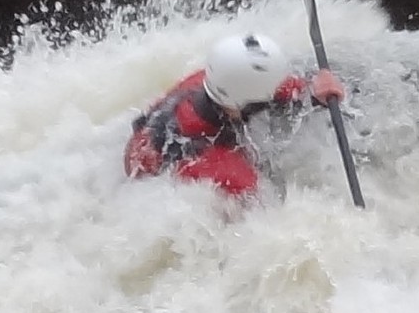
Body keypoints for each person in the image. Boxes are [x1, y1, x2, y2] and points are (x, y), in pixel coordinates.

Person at [124, 33, 346, 200]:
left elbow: (272, 88)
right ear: (240, 106)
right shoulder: (220, 168)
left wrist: (312, 93)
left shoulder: (210, 79)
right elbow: (263, 218)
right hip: (158, 172)